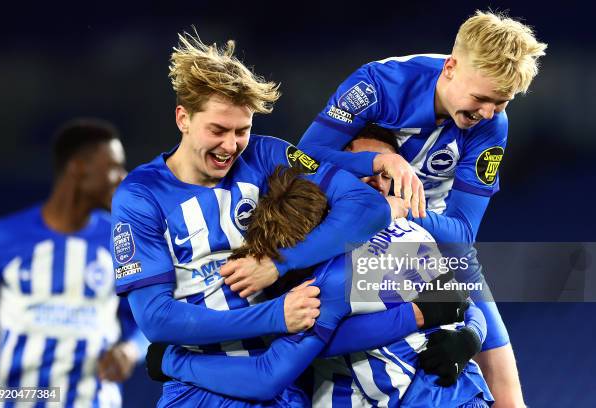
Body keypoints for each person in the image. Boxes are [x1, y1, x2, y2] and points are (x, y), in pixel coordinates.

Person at [111, 33, 393, 407]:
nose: (230, 145)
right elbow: (157, 319)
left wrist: (279, 263)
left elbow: (369, 206)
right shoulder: (140, 195)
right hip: (200, 390)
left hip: (283, 389)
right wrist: (274, 315)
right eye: (217, 130)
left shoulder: (267, 154)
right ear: (183, 118)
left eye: (241, 131)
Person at [297, 11, 547, 406]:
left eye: (501, 104)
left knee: (509, 397)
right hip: (346, 235)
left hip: (431, 239)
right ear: (450, 68)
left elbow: (463, 232)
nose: (487, 113)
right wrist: (379, 164)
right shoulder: (376, 85)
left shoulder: (493, 127)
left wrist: (397, 210)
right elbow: (302, 160)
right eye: (481, 99)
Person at [146, 126, 491, 407]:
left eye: (385, 172)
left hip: (429, 395)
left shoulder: (335, 272)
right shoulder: (399, 232)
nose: (375, 182)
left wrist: (171, 361)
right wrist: (433, 316)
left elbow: (270, 371)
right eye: (366, 167)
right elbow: (450, 300)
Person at [0, 119, 147, 407]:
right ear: (78, 168)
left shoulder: (122, 241)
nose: (124, 177)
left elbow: (150, 320)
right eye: (114, 166)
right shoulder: (2, 238)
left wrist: (130, 351)